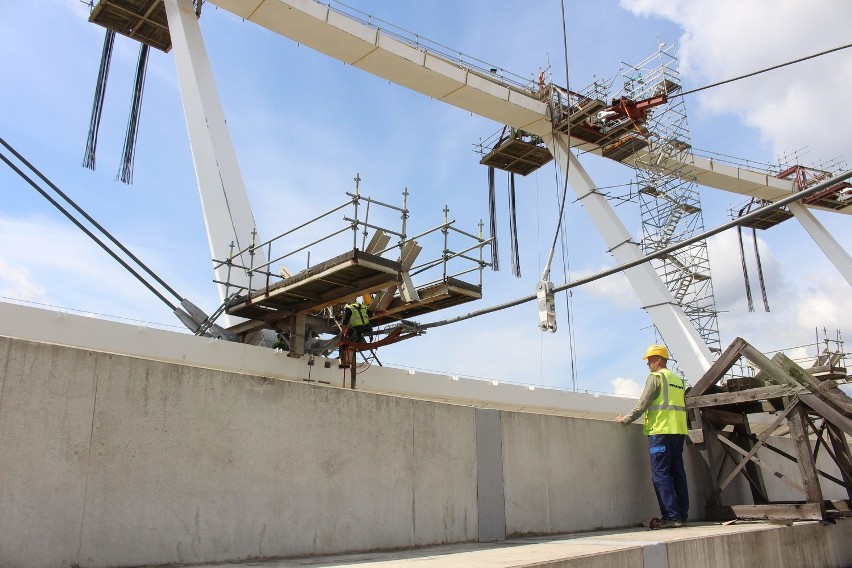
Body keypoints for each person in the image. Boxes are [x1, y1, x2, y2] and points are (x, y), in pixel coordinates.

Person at [615, 344, 689, 528]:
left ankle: (672, 517)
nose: (647, 364)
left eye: (649, 360)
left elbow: (643, 403)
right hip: (678, 431)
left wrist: (626, 419)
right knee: (678, 473)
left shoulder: (656, 378)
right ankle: (681, 515)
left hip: (660, 432)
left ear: (657, 360)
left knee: (661, 474)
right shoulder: (678, 380)